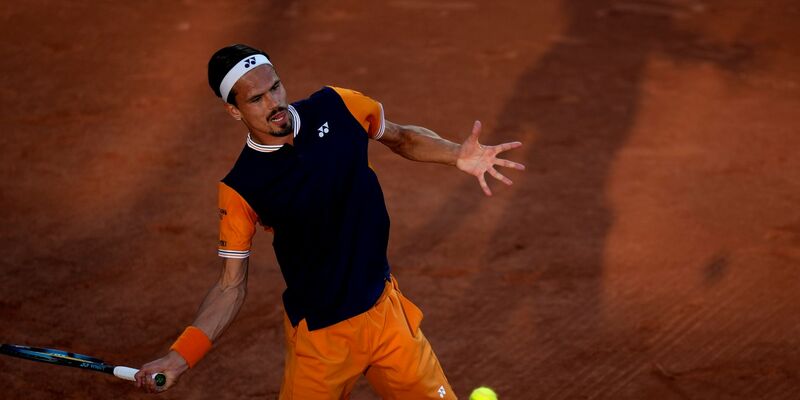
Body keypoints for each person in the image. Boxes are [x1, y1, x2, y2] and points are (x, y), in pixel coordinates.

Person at [135, 43, 524, 399]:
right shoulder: (242, 187)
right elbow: (230, 287)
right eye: (256, 98)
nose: (274, 103)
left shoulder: (339, 106)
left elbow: (401, 137)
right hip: (322, 342)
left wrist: (457, 154)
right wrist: (179, 357)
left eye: (275, 87)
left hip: (386, 316)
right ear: (234, 111)